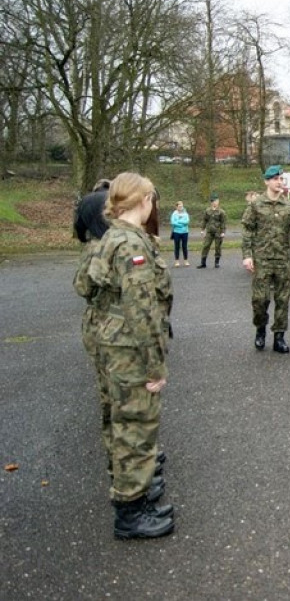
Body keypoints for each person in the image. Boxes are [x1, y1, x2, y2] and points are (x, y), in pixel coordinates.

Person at [73, 172, 174, 539]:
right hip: (129, 349)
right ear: (143, 202)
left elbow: (83, 285)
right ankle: (131, 513)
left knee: (115, 419)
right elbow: (143, 311)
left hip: (106, 343)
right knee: (135, 426)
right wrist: (155, 365)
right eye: (151, 200)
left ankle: (128, 490)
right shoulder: (131, 244)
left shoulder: (105, 237)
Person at [242, 165, 290, 353]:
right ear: (267, 181)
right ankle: (260, 330)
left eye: (281, 178)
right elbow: (247, 229)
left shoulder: (289, 205)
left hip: (283, 259)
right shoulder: (256, 205)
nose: (280, 181)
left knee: (283, 299)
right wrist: (247, 255)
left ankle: (279, 336)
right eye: (276, 178)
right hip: (262, 260)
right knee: (260, 300)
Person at [197, 194, 227, 268]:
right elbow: (204, 220)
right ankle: (203, 263)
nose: (214, 202)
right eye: (213, 201)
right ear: (211, 202)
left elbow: (223, 222)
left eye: (216, 201)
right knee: (205, 246)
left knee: (217, 247)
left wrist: (223, 232)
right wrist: (202, 229)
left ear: (218, 202)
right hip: (209, 232)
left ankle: (216, 263)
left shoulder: (221, 212)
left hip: (218, 232)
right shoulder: (207, 210)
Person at [169, 201, 190, 267]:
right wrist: (181, 225)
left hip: (185, 232)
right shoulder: (174, 214)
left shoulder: (185, 213)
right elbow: (173, 222)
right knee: (177, 247)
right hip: (176, 232)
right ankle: (177, 261)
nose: (181, 207)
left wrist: (179, 221)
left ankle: (186, 261)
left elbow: (187, 221)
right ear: (176, 207)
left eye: (182, 206)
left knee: (184, 246)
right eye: (179, 206)